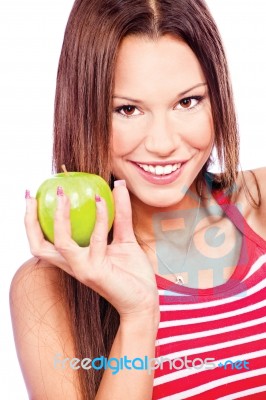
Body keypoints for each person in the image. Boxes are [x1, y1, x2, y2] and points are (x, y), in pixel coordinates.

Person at [9, 0, 266, 399]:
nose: (163, 144)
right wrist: (138, 316)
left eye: (188, 101)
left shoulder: (261, 200)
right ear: (84, 111)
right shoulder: (48, 285)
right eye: (127, 109)